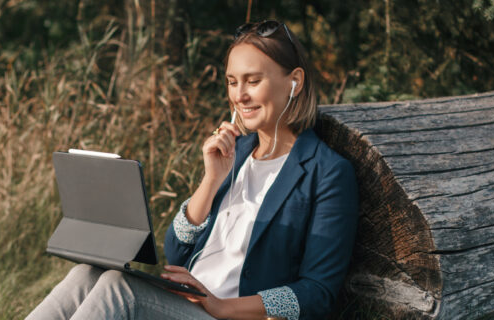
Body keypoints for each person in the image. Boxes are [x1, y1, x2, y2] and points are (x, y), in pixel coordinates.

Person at [27, 20, 359, 320]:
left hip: (229, 314)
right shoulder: (236, 153)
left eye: (253, 81)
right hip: (184, 305)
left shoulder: (326, 172)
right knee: (87, 274)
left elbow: (317, 293)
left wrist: (221, 305)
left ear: (294, 82)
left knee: (119, 287)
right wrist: (211, 179)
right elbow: (177, 251)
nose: (239, 96)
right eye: (232, 82)